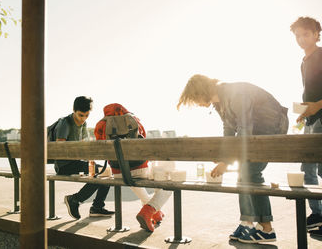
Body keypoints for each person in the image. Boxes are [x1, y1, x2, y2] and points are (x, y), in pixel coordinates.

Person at [177, 74, 288, 244]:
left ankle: (259, 226)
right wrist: (224, 156)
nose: (198, 104)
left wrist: (227, 161)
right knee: (248, 173)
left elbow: (244, 128)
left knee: (248, 172)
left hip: (270, 128)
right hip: (255, 132)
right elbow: (229, 131)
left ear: (201, 91)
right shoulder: (219, 103)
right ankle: (255, 225)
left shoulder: (236, 94)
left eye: (195, 99)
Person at [94, 103, 172, 232]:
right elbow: (143, 141)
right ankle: (149, 210)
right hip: (139, 169)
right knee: (168, 185)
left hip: (118, 172)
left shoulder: (101, 124)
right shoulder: (132, 119)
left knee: (133, 180)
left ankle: (155, 212)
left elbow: (99, 147)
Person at [48, 96, 114, 220]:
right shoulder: (65, 123)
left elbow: (85, 146)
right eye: (80, 115)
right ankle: (75, 200)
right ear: (73, 110)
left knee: (106, 171)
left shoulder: (84, 125)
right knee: (101, 172)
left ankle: (97, 207)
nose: (83, 119)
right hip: (64, 165)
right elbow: (59, 148)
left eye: (86, 115)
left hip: (77, 162)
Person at [290, 16, 322, 235]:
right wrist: (303, 112)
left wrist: (316, 106)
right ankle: (317, 214)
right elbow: (310, 92)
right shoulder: (303, 61)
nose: (301, 39)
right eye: (297, 35)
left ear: (317, 34)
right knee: (307, 168)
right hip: (311, 119)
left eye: (306, 34)